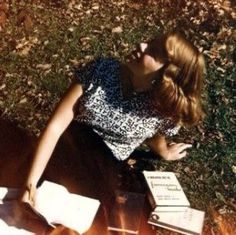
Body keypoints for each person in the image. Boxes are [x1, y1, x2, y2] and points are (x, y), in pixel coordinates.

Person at [19, 31, 205, 207]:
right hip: (70, 144)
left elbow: (154, 133)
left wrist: (163, 152)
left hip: (106, 163)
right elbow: (55, 126)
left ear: (167, 74)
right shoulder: (100, 71)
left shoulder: (164, 109)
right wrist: (30, 183)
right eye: (149, 42)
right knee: (31, 196)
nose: (141, 45)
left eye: (153, 51)